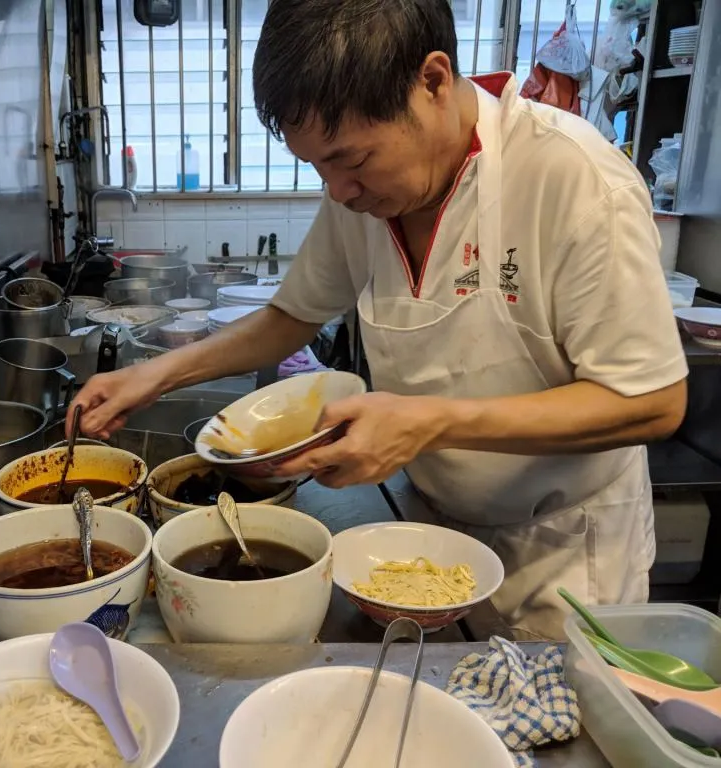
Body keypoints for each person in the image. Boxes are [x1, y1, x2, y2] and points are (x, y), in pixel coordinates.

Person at [69, 0, 687, 639]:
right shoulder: (362, 197)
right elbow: (293, 315)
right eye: (317, 166)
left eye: (352, 160)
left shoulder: (575, 181)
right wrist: (159, 376)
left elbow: (653, 403)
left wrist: (428, 424)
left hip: (559, 558)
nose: (337, 190)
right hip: (427, 540)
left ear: (433, 82)